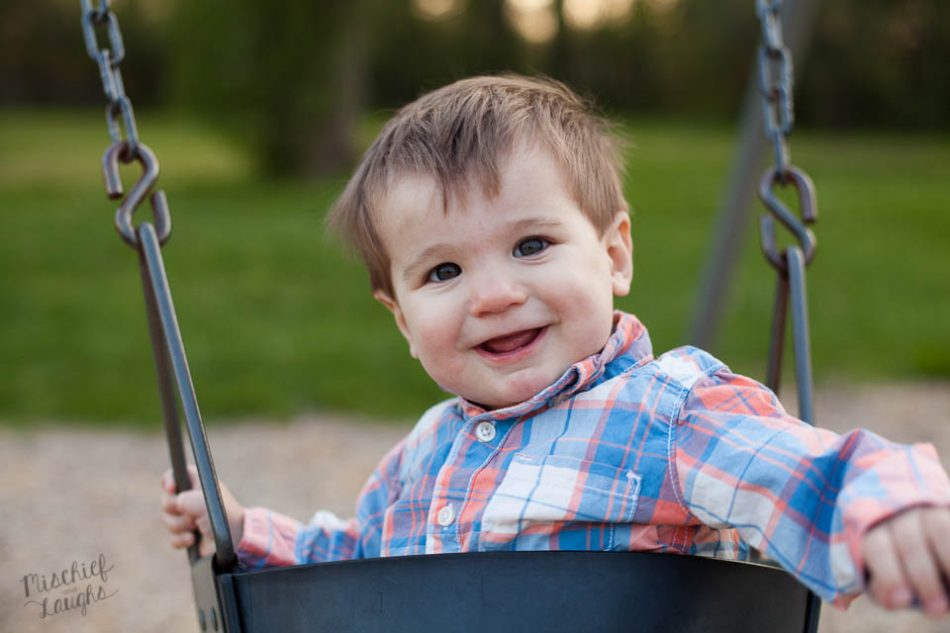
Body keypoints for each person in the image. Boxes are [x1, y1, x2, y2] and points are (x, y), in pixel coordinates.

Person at [161, 75, 950, 615]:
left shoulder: (666, 415)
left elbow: (800, 470)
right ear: (401, 319)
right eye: (443, 269)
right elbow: (362, 568)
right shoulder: (422, 455)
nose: (495, 293)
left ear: (615, 253)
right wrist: (246, 532)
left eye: (532, 245)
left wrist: (893, 505)